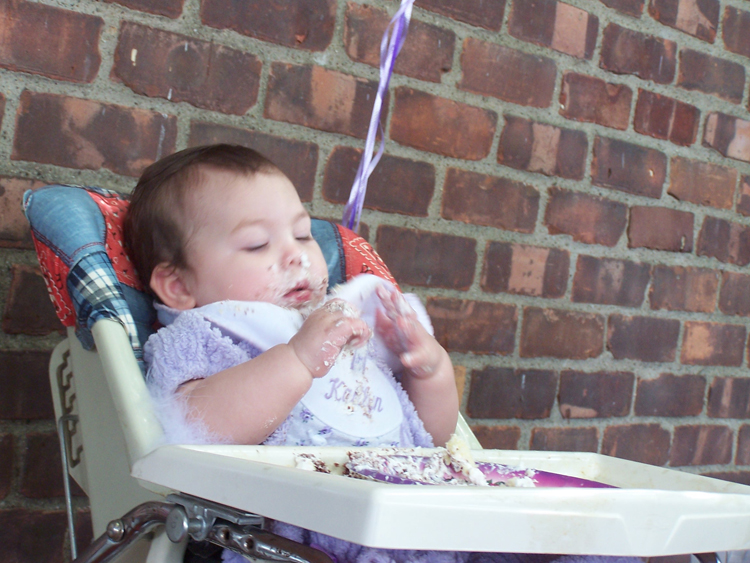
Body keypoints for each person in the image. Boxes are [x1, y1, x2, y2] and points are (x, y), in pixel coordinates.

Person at [124, 144, 638, 563]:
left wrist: (428, 368)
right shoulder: (202, 334)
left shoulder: (341, 321)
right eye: (258, 245)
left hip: (430, 526)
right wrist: (298, 361)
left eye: (303, 234)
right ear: (178, 285)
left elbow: (432, 435)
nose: (297, 255)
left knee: (587, 541)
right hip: (299, 542)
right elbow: (197, 426)